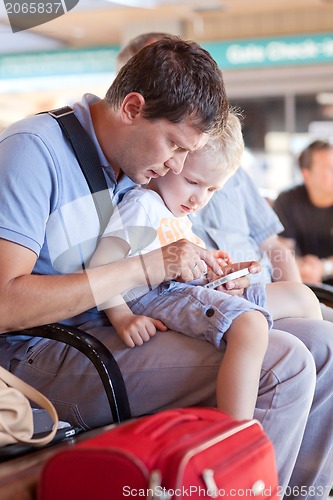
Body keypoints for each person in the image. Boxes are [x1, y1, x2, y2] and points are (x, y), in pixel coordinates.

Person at [0, 33, 332, 499]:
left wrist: (199, 275)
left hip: (122, 328)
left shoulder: (131, 165)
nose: (176, 164)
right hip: (43, 352)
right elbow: (5, 304)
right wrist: (150, 267)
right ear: (132, 108)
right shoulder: (34, 151)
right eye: (174, 146)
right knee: (282, 363)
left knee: (324, 345)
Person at [90, 110, 322, 422]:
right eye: (193, 182)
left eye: (211, 190)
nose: (199, 199)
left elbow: (189, 262)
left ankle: (309, 409)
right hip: (157, 296)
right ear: (171, 162)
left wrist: (217, 269)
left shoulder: (179, 215)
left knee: (302, 296)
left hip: (191, 292)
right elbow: (99, 266)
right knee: (250, 326)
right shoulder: (141, 207)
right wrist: (122, 317)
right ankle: (233, 431)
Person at [274, 139, 333, 287]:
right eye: (329, 168)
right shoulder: (287, 200)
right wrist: (300, 266)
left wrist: (323, 267)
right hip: (302, 281)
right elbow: (283, 250)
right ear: (307, 175)